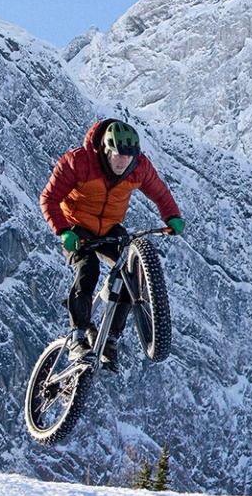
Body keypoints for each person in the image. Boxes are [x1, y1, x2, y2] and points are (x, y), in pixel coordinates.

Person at [40, 118, 185, 368]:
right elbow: (49, 198)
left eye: (127, 158)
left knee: (133, 276)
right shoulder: (79, 162)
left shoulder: (139, 168)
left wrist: (172, 216)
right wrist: (64, 231)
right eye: (117, 155)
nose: (122, 162)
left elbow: (159, 192)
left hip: (108, 228)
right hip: (77, 228)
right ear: (106, 150)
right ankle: (78, 337)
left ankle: (110, 340)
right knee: (88, 270)